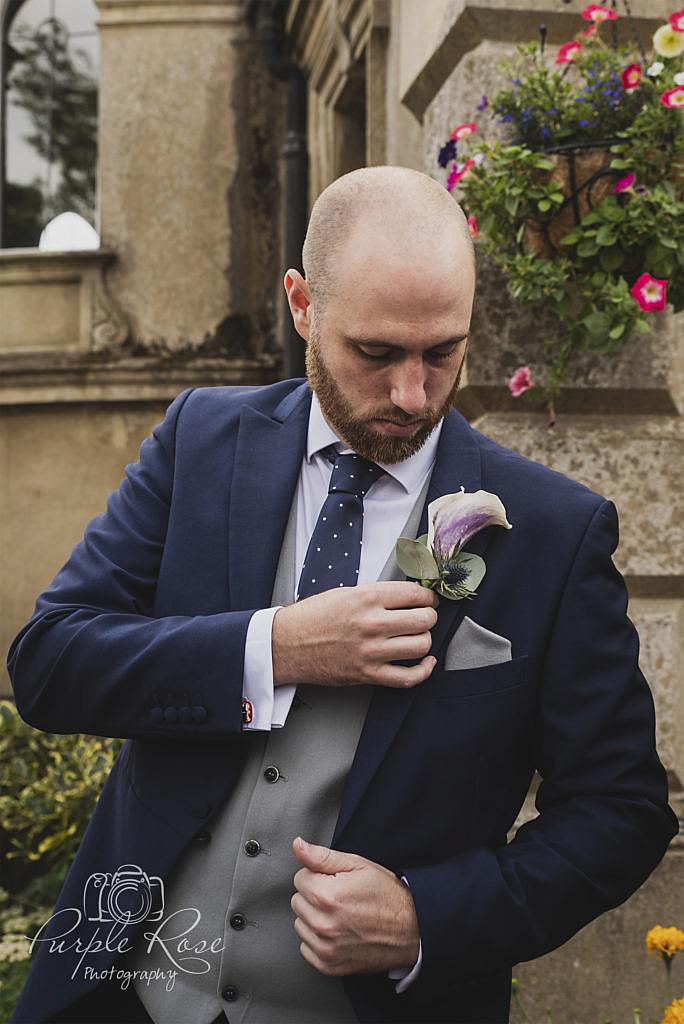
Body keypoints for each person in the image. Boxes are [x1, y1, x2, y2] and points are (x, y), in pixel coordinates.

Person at [7, 166, 678, 1024]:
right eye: (377, 353)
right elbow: (50, 663)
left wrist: (426, 916)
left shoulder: (555, 529)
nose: (412, 395)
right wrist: (276, 647)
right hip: (125, 997)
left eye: (443, 353)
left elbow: (622, 809)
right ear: (303, 306)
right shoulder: (201, 440)